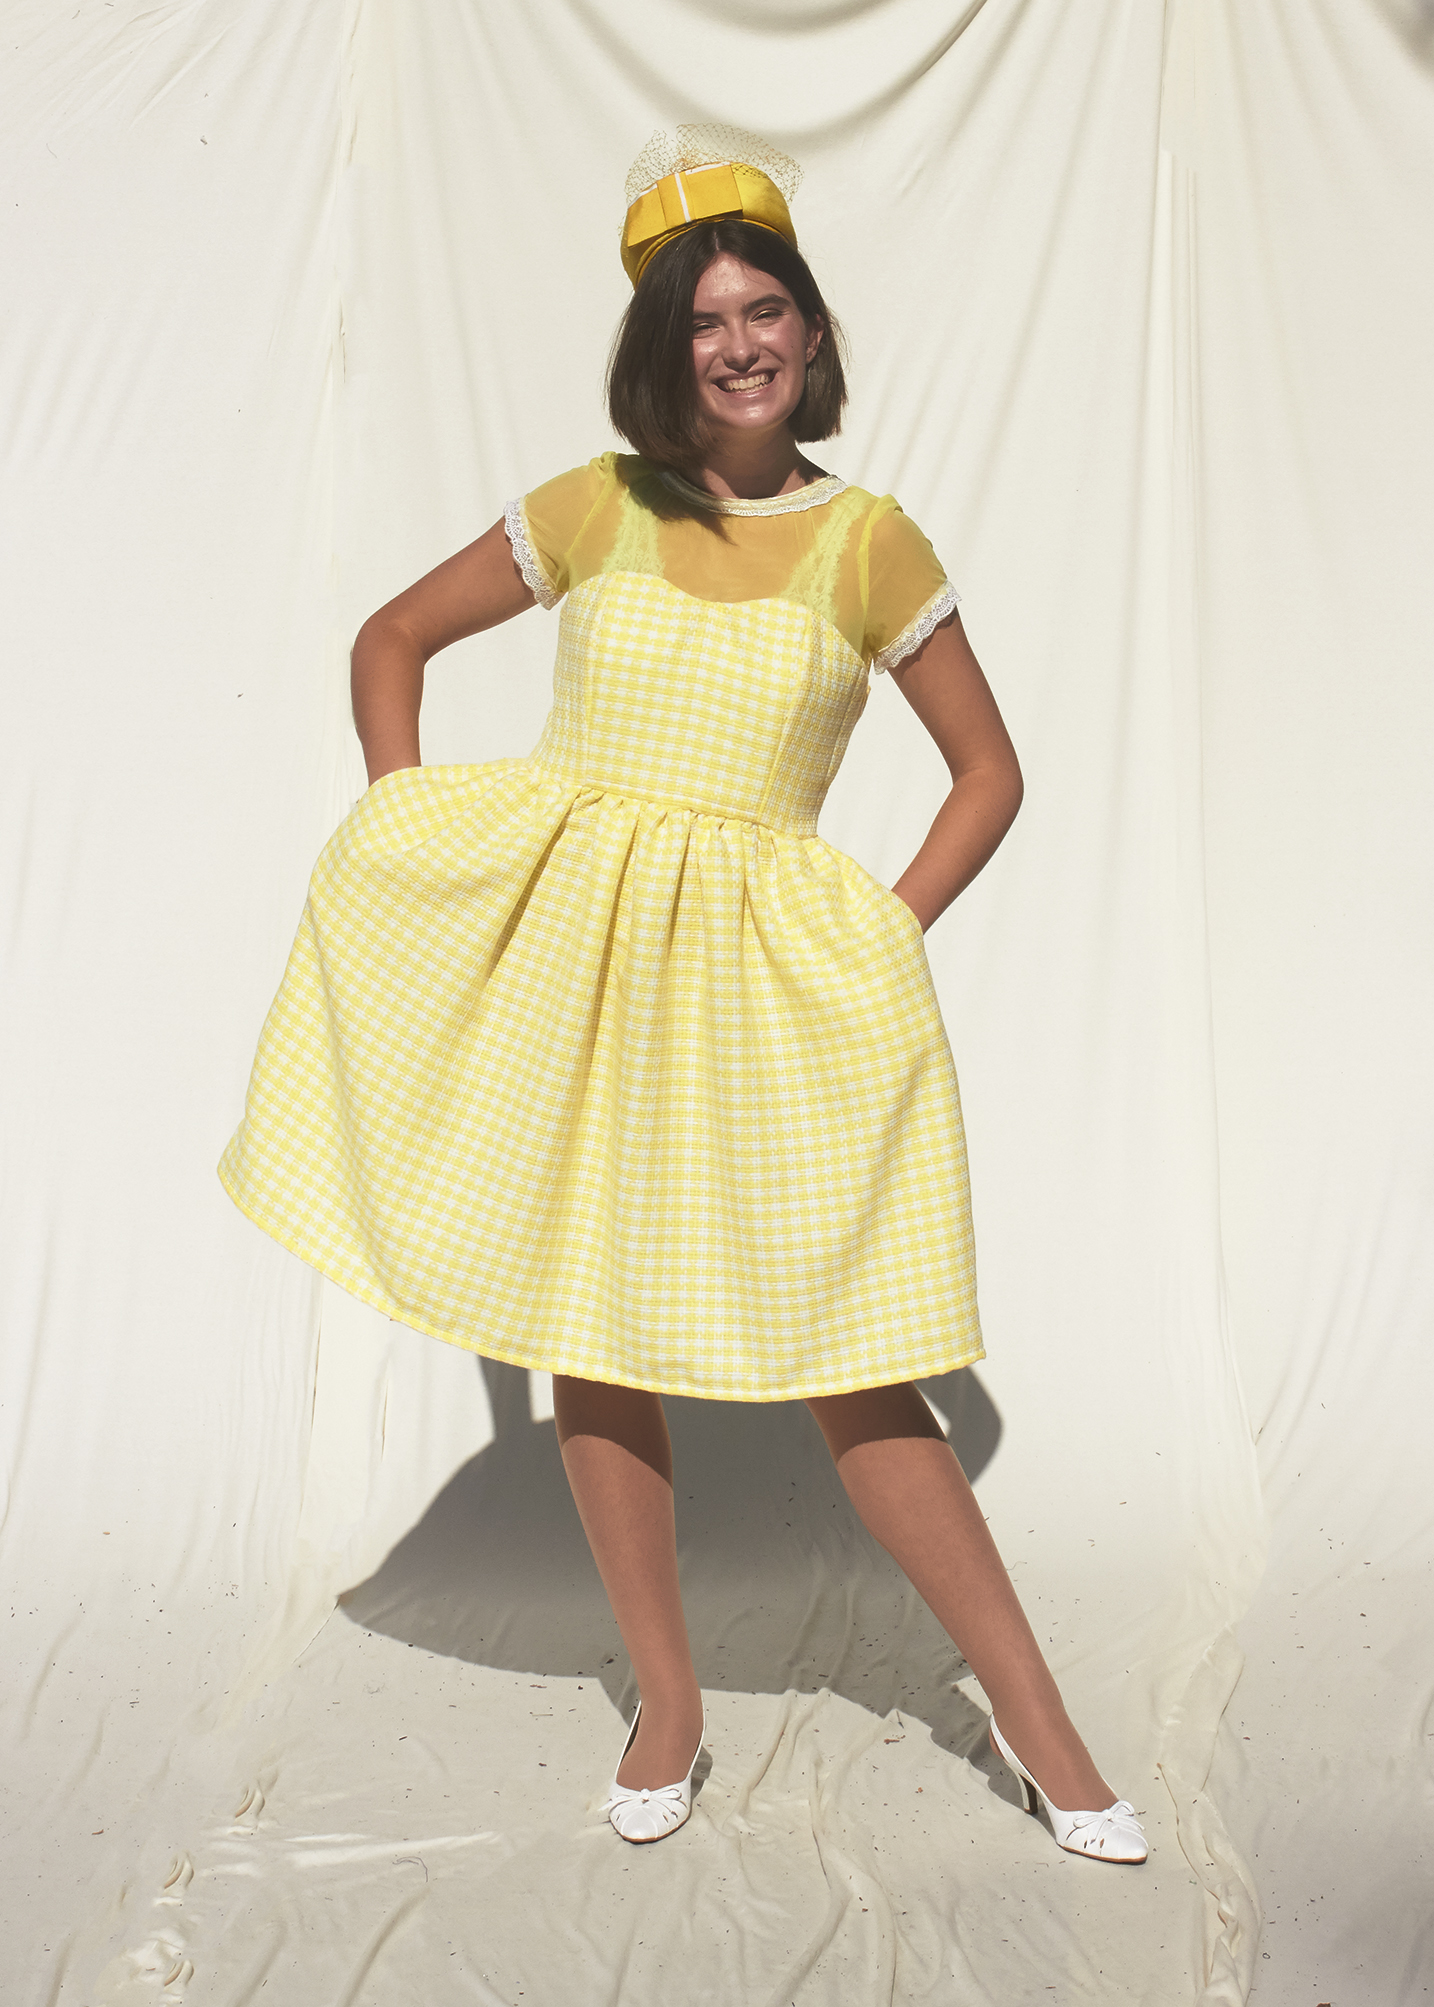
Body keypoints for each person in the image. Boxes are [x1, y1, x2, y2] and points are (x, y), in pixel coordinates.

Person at [219, 128, 1146, 1863]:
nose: (737, 341)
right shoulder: (599, 503)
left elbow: (988, 775)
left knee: (854, 1361)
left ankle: (1036, 1721)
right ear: (664, 345)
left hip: (758, 989)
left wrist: (885, 924)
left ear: (808, 329)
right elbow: (388, 642)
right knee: (593, 1340)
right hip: (579, 958)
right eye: (704, 317)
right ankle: (666, 1698)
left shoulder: (868, 540)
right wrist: (407, 824)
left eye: (764, 307)